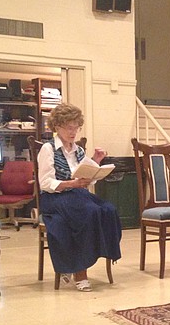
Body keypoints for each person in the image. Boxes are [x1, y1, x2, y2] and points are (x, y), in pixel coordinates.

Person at [37, 103, 122, 291]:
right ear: (57, 126)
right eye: (69, 127)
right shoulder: (48, 149)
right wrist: (71, 184)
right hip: (55, 197)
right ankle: (79, 271)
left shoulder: (79, 150)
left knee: (109, 210)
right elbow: (45, 183)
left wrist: (96, 162)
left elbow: (85, 177)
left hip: (76, 194)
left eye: (76, 127)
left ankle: (100, 252)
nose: (73, 131)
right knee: (89, 212)